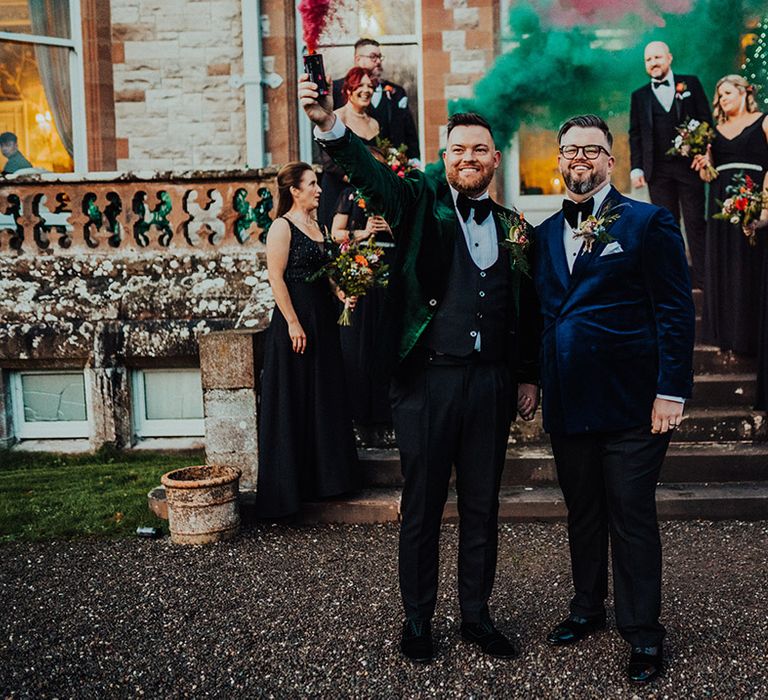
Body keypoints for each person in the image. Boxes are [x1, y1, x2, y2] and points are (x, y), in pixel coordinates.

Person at [300, 76, 541, 663]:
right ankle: (417, 621)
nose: (469, 157)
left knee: (484, 505)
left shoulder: (515, 226)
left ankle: (477, 618)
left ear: (494, 158)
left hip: (489, 383)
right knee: (424, 505)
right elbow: (374, 179)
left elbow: (526, 307)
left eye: (479, 148)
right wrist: (331, 128)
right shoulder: (416, 206)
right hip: (427, 381)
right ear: (444, 157)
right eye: (458, 148)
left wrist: (527, 375)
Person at [534, 115, 695, 684]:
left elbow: (676, 311)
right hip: (569, 402)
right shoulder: (545, 233)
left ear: (609, 158)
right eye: (569, 149)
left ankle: (644, 635)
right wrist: (534, 379)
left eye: (591, 150)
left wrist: (670, 390)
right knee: (583, 513)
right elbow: (543, 317)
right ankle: (587, 608)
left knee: (630, 515)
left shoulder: (647, 222)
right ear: (559, 160)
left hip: (635, 406)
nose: (580, 157)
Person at [256, 162, 359, 520]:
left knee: (324, 396)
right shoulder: (281, 227)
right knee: (295, 399)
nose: (319, 189)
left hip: (323, 321)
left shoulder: (318, 225)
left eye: (317, 183)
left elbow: (326, 271)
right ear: (294, 191)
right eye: (312, 184)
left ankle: (327, 481)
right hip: (295, 321)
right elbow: (276, 278)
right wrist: (293, 323)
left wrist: (342, 292)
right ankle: (289, 491)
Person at [694, 75, 768, 359]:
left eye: (726, 93)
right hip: (720, 201)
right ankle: (727, 333)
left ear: (743, 92)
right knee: (724, 263)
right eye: (719, 96)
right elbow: (706, 175)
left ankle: (750, 333)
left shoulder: (763, 120)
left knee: (748, 262)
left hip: (751, 196)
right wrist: (705, 164)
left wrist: (764, 207)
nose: (722, 99)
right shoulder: (715, 130)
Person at [629, 41, 711, 288]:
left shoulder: (691, 84)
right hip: (658, 171)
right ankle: (677, 280)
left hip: (690, 167)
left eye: (657, 57)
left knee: (696, 222)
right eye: (648, 59)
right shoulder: (639, 95)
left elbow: (706, 121)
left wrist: (703, 152)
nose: (653, 63)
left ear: (669, 58)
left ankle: (705, 281)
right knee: (667, 226)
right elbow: (635, 134)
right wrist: (637, 167)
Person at [331, 146, 395, 434]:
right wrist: (364, 232)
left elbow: (417, 230)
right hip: (360, 270)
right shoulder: (350, 194)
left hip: (391, 272)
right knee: (358, 341)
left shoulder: (396, 194)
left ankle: (389, 411)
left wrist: (391, 228)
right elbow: (336, 233)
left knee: (387, 339)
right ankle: (360, 412)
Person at [332, 38, 421, 162]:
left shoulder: (397, 92)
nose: (378, 61)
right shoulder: (336, 89)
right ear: (358, 59)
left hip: (391, 166)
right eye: (373, 57)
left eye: (380, 57)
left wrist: (414, 159)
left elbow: (409, 129)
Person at [317, 67, 380, 230]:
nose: (366, 90)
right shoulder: (337, 118)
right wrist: (358, 178)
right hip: (337, 189)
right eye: (360, 85)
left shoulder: (374, 123)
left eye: (370, 86)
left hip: (367, 195)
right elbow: (328, 161)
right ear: (348, 90)